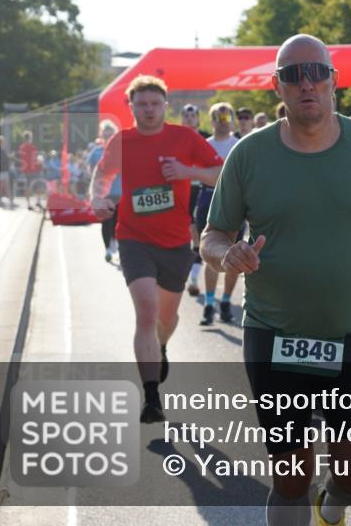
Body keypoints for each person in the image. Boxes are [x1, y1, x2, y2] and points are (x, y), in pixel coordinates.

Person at [200, 34, 351, 526]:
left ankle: (332, 508)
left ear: (333, 80)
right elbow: (213, 234)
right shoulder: (250, 155)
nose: (306, 83)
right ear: (277, 86)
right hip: (273, 334)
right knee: (292, 476)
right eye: (293, 75)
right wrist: (225, 254)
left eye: (316, 72)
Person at [90, 76, 223, 423]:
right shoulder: (122, 141)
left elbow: (219, 174)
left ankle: (161, 347)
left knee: (166, 319)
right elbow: (101, 175)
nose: (148, 110)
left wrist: (186, 171)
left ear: (165, 106)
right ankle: (151, 398)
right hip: (134, 239)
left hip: (176, 242)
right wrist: (97, 198)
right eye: (141, 104)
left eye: (154, 104)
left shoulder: (184, 137)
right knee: (146, 314)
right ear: (131, 107)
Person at [195, 102, 242, 324]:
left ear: (232, 120)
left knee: (234, 255)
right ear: (212, 121)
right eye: (218, 118)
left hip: (234, 201)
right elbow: (196, 175)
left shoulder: (240, 145)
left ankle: (225, 301)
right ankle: (209, 303)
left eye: (227, 118)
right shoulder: (204, 145)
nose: (223, 122)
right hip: (208, 198)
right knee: (210, 252)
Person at [181, 104, 211, 295]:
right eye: (186, 115)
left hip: (201, 188)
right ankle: (189, 271)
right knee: (187, 230)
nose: (190, 118)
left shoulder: (207, 137)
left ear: (198, 119)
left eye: (193, 115)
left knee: (197, 231)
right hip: (182, 189)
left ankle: (194, 274)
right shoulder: (175, 139)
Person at [87, 121, 122, 262]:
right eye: (105, 134)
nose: (108, 137)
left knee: (118, 221)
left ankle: (117, 243)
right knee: (106, 221)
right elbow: (91, 169)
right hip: (104, 193)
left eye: (110, 134)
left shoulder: (121, 150)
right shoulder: (96, 151)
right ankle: (107, 248)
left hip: (120, 191)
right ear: (102, 135)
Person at [17, 130, 42, 209]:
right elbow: (35, 159)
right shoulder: (33, 147)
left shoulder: (21, 147)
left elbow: (21, 159)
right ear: (30, 138)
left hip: (26, 170)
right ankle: (38, 201)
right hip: (34, 169)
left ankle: (28, 204)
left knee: (28, 186)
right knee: (38, 186)